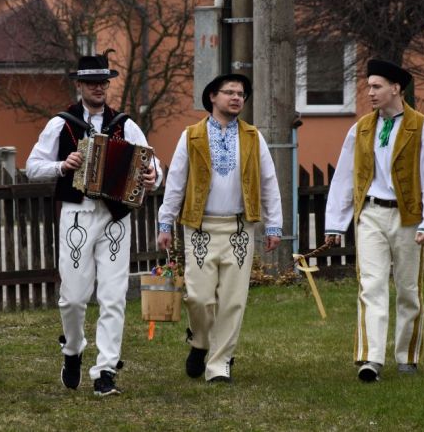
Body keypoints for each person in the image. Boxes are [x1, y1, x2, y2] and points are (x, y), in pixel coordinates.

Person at [26, 53, 162, 397]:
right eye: (91, 82)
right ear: (80, 85)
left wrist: (152, 175)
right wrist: (62, 164)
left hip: (115, 216)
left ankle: (105, 371)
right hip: (76, 213)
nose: (98, 88)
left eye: (103, 82)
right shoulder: (62, 124)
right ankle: (72, 349)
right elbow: (31, 166)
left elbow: (152, 164)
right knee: (72, 298)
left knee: (113, 296)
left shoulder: (125, 124)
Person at [156, 73, 283, 383]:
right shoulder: (191, 136)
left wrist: (273, 225)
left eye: (241, 93)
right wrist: (165, 222)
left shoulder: (253, 137)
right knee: (198, 298)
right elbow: (175, 182)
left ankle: (219, 363)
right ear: (212, 97)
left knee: (233, 299)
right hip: (199, 227)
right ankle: (200, 342)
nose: (236, 97)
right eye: (229, 92)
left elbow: (268, 181)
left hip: (240, 228)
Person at [325, 59, 424, 382]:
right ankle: (370, 357)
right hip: (371, 215)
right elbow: (345, 176)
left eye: (377, 86)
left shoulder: (423, 127)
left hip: (408, 218)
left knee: (408, 289)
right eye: (368, 86)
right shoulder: (361, 128)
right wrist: (336, 223)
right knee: (371, 285)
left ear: (396, 88)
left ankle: (407, 357)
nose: (370, 92)